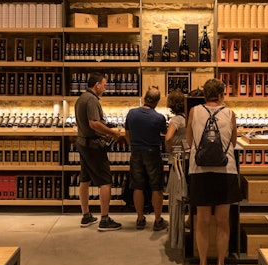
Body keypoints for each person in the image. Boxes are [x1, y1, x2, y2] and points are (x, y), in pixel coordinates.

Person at [186, 78, 240, 265]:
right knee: (223, 220)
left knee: (202, 220)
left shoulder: (194, 112)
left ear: (204, 95)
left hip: (199, 171)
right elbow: (233, 142)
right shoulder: (230, 114)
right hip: (225, 171)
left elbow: (190, 142)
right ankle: (220, 264)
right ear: (221, 95)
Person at [74, 72, 123, 231]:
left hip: (82, 143)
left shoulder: (81, 98)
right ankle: (105, 219)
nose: (105, 88)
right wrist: (112, 133)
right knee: (105, 180)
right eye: (104, 85)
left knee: (85, 179)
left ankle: (86, 215)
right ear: (97, 85)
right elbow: (94, 123)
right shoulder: (92, 100)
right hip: (93, 146)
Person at [125, 86, 168, 231]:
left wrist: (133, 145)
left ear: (144, 98)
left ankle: (140, 219)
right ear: (157, 101)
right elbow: (164, 134)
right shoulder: (159, 118)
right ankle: (158, 220)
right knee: (156, 186)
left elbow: (127, 134)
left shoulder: (131, 113)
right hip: (152, 153)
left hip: (136, 152)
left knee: (138, 186)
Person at [164, 89, 186, 154]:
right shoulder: (188, 117)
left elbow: (168, 138)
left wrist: (169, 149)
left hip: (177, 154)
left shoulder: (176, 120)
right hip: (186, 152)